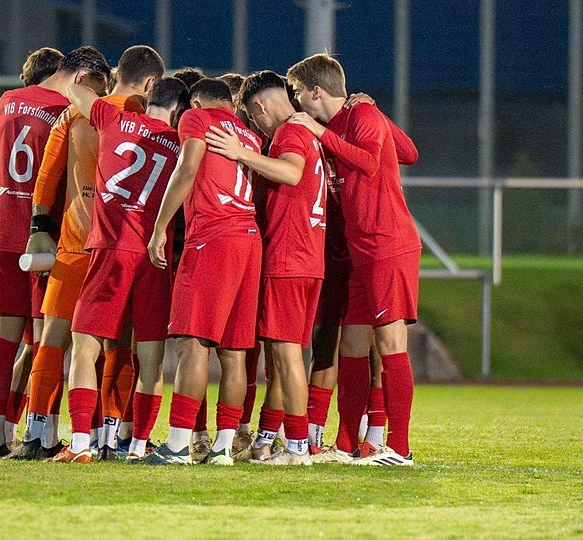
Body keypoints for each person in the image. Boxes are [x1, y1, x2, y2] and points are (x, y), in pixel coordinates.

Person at [13, 45, 163, 461]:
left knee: (55, 340)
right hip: (128, 246)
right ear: (150, 82)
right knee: (119, 345)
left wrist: (40, 228)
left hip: (77, 244)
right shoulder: (152, 121)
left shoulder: (80, 112)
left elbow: (48, 173)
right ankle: (111, 434)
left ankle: (39, 433)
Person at [288, 53, 421, 466]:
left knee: (390, 343)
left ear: (316, 91)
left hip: (389, 246)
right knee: (354, 344)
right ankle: (347, 444)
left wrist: (321, 128)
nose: (296, 103)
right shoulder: (354, 118)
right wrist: (377, 115)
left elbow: (365, 161)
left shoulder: (357, 114)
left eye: (298, 94)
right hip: (365, 251)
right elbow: (408, 152)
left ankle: (399, 448)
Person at [50, 78, 190, 463]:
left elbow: (75, 92)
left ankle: (80, 445)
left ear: (149, 102)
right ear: (178, 111)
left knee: (84, 346)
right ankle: (139, 447)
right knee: (150, 359)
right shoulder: (183, 144)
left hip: (111, 249)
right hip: (154, 255)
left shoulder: (114, 118)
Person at [0, 46, 109, 458]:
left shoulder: (7, 101)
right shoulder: (65, 111)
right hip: (48, 238)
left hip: (5, 231)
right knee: (47, 340)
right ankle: (44, 434)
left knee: (2, 340)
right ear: (82, 78)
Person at [205, 70, 327, 466]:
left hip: (290, 258)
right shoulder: (308, 131)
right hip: (309, 257)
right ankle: (273, 439)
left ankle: (296, 448)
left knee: (287, 356)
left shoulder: (291, 133)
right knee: (282, 356)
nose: (256, 128)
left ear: (259, 107)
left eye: (254, 119)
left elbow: (290, 172)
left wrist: (240, 153)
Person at [144, 79, 263, 466]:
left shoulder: (196, 117)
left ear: (195, 101)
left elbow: (187, 168)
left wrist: (160, 227)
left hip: (213, 236)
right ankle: (224, 448)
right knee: (234, 353)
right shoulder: (249, 134)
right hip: (249, 238)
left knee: (192, 344)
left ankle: (178, 444)